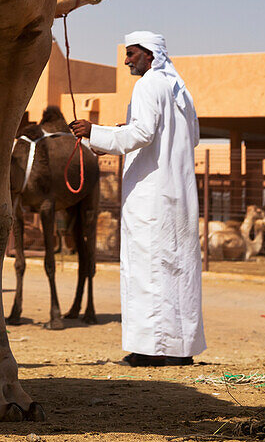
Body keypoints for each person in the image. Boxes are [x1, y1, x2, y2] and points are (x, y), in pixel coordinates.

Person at [70, 30, 205, 367]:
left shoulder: (147, 85)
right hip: (178, 195)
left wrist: (94, 132)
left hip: (152, 197)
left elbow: (142, 133)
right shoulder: (180, 90)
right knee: (178, 273)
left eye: (131, 53)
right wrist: (115, 133)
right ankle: (178, 350)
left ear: (149, 55)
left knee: (149, 271)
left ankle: (150, 351)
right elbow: (189, 136)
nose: (127, 60)